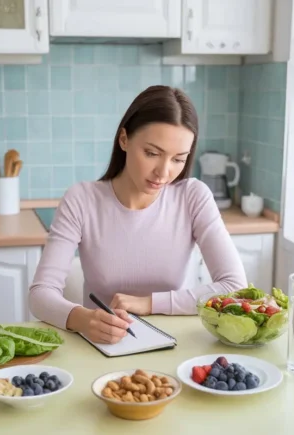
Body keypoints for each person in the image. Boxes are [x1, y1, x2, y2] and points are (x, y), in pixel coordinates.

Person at [28, 85, 247, 345]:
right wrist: (84, 320)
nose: (163, 172)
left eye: (178, 159)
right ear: (124, 139)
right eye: (152, 153)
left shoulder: (193, 196)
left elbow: (235, 287)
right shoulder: (82, 200)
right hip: (103, 345)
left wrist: (149, 303)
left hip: (177, 343)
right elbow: (40, 295)